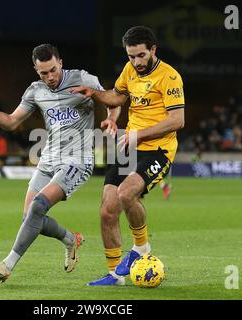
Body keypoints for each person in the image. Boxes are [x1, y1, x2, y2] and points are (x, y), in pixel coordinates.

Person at [0, 44, 106, 283]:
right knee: (30, 219)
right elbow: (11, 122)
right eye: (43, 73)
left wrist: (107, 114)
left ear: (60, 62)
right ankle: (71, 240)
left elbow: (112, 100)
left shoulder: (83, 78)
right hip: (48, 160)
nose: (50, 77)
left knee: (39, 206)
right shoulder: (36, 91)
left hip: (77, 160)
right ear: (36, 70)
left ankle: (7, 265)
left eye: (53, 70)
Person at [71, 26, 185, 285]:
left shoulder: (169, 77)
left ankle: (140, 249)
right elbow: (117, 97)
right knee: (107, 210)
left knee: (126, 193)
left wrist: (140, 134)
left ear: (153, 50)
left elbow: (178, 120)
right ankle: (113, 275)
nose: (136, 62)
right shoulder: (129, 70)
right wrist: (97, 95)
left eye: (141, 56)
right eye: (131, 56)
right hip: (129, 147)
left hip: (158, 149)